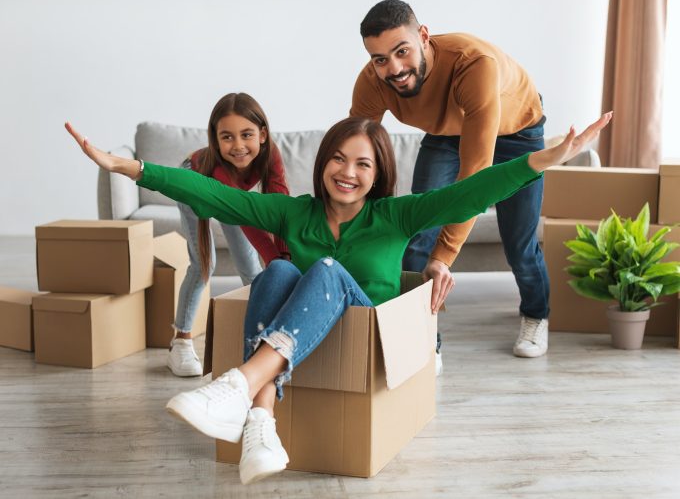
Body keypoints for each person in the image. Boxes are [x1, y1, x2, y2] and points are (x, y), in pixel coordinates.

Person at [65, 112, 611, 484]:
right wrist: (132, 169)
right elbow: (217, 195)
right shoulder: (294, 211)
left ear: (377, 176)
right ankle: (260, 421)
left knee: (321, 268)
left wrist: (548, 158)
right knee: (277, 271)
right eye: (339, 159)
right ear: (323, 160)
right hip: (304, 341)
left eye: (363, 164)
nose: (347, 173)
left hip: (367, 341)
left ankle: (239, 384)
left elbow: (473, 190)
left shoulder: (397, 215)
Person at [351, 0, 552, 365]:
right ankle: (425, 340)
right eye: (380, 59)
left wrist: (443, 258)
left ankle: (536, 315)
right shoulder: (373, 80)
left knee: (519, 244)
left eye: (402, 51)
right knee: (414, 233)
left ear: (423, 36)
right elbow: (355, 151)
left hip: (517, 132)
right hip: (447, 133)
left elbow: (473, 178)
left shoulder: (473, 64)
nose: (393, 68)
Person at [168, 93, 289, 377]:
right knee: (203, 267)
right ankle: (180, 343)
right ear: (215, 139)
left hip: (235, 197)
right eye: (227, 137)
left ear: (262, 134)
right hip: (195, 184)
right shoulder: (219, 169)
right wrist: (278, 265)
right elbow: (248, 222)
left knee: (251, 269)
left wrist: (285, 259)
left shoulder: (271, 154)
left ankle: (259, 337)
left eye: (246, 134)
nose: (237, 146)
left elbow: (280, 209)